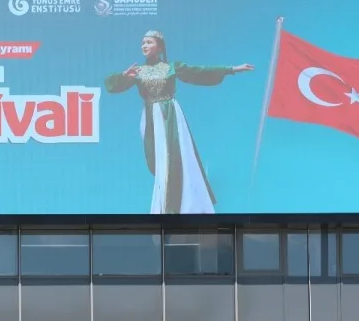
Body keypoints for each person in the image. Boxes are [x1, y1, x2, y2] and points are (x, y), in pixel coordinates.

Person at [104, 30, 253, 214]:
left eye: (149, 42)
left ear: (160, 47)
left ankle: (177, 208)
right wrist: (123, 76)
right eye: (142, 43)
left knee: (175, 158)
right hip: (151, 118)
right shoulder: (137, 72)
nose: (144, 45)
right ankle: (165, 204)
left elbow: (198, 72)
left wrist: (231, 69)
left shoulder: (171, 67)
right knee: (158, 161)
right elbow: (112, 86)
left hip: (171, 116)